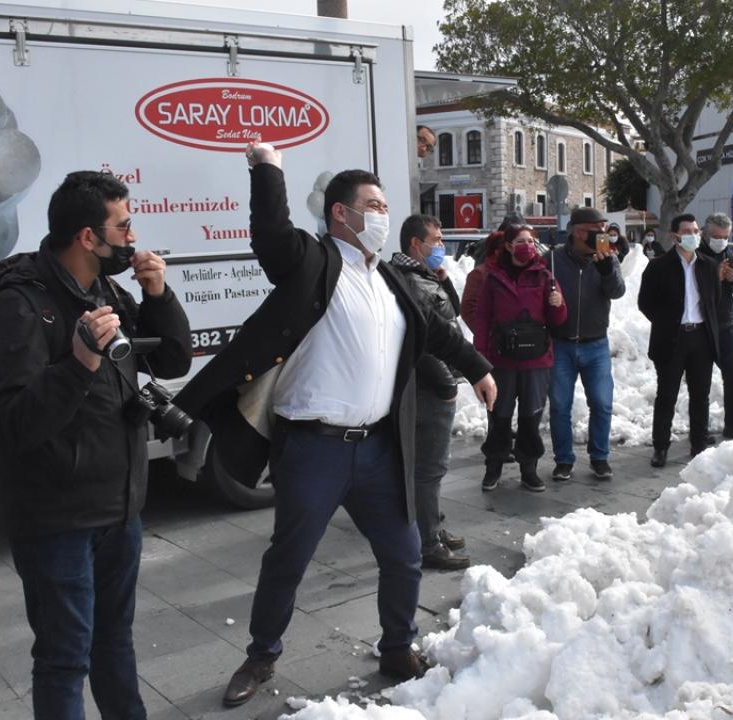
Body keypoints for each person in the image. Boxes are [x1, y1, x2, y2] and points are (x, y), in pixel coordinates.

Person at [173, 143, 497, 707]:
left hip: (376, 450)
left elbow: (436, 331)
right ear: (340, 215)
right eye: (371, 205)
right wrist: (268, 170)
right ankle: (261, 655)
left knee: (401, 552)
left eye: (385, 205)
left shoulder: (392, 281)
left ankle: (398, 645)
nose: (383, 215)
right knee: (289, 557)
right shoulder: (312, 263)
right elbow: (271, 235)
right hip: (312, 449)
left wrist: (479, 370)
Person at [0, 171, 193, 719]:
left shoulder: (106, 289)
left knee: (114, 643)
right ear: (87, 237)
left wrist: (158, 295)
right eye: (123, 226)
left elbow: (172, 360)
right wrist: (78, 363)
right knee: (65, 658)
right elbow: (11, 425)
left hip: (119, 509)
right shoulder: (19, 306)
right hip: (56, 519)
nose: (132, 237)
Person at [389, 214, 471, 571]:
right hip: (428, 388)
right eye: (436, 241)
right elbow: (422, 343)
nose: (441, 247)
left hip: (427, 385)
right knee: (429, 469)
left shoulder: (422, 276)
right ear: (415, 244)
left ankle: (430, 526)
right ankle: (428, 543)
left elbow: (452, 314)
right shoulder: (411, 281)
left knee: (425, 468)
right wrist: (446, 385)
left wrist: (443, 278)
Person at [471, 223, 566, 492]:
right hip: (501, 360)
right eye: (522, 240)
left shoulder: (545, 276)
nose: (528, 245)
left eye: (532, 240)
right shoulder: (494, 277)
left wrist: (558, 305)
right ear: (510, 245)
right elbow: (482, 318)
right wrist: (481, 357)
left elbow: (558, 320)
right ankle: (494, 467)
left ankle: (529, 469)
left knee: (530, 417)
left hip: (536, 361)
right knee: (499, 416)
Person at [638, 213, 732, 466]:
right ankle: (661, 447)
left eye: (696, 230)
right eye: (687, 231)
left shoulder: (708, 265)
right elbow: (645, 303)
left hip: (701, 337)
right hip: (672, 338)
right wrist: (666, 322)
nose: (693, 235)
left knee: (700, 394)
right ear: (675, 236)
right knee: (666, 395)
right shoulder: (658, 266)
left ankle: (698, 444)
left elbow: (715, 300)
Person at [547, 207, 625, 482]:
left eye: (604, 229)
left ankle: (600, 457)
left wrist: (607, 270)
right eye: (595, 230)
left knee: (602, 403)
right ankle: (564, 460)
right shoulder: (553, 259)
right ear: (578, 232)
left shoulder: (607, 258)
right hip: (561, 344)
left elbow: (617, 292)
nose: (602, 235)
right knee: (559, 406)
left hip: (596, 345)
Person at [696, 212, 733, 439]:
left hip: (726, 326)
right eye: (716, 236)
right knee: (701, 383)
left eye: (725, 236)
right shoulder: (695, 256)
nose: (721, 241)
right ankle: (700, 431)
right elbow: (693, 293)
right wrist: (715, 279)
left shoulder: (730, 254)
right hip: (701, 328)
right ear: (706, 234)